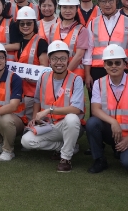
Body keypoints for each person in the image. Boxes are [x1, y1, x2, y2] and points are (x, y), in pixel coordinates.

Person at [21, 41, 85, 173]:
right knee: (26, 141)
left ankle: (65, 158)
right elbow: (37, 100)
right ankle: (65, 146)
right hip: (48, 125)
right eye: (55, 59)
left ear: (68, 60)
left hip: (67, 126)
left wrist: (49, 110)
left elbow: (76, 109)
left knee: (72, 118)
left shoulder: (76, 79)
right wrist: (34, 118)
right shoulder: (43, 77)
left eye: (63, 59)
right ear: (49, 60)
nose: (59, 62)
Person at [86, 44, 128, 174]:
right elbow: (95, 110)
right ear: (104, 65)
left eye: (117, 63)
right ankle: (99, 159)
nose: (113, 66)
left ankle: (123, 149)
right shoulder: (98, 83)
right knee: (92, 123)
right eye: (110, 63)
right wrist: (113, 122)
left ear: (125, 65)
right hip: (111, 130)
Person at [85, 0, 128, 89]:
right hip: (98, 70)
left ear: (116, 0)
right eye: (103, 1)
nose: (107, 4)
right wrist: (87, 74)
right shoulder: (92, 23)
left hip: (122, 69)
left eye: (110, 0)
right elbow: (88, 51)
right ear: (98, 3)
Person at [12, 6, 48, 129]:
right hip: (19, 90)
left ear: (34, 24)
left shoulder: (40, 42)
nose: (25, 26)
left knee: (28, 123)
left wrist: (30, 76)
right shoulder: (18, 42)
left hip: (33, 92)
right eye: (22, 24)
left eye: (29, 23)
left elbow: (44, 68)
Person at [53, 0, 90, 82]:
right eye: (64, 7)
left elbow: (79, 55)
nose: (67, 11)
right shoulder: (53, 28)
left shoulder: (82, 30)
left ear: (77, 9)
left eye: (71, 7)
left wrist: (64, 73)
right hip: (56, 74)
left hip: (75, 76)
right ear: (60, 8)